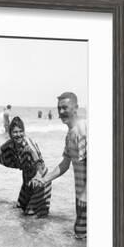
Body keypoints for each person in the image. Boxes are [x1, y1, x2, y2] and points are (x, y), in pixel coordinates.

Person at [0, 117, 52, 218]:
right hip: (27, 179)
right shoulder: (10, 144)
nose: (18, 134)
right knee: (20, 209)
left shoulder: (28, 144)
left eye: (21, 131)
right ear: (10, 133)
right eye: (15, 132)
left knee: (32, 215)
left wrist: (38, 176)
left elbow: (39, 161)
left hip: (40, 178)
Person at [33, 92, 87, 239]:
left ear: (75, 108)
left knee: (82, 235)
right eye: (59, 108)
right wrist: (45, 179)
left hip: (87, 196)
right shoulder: (70, 134)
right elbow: (64, 164)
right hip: (82, 195)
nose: (61, 112)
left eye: (65, 107)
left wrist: (84, 194)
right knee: (81, 236)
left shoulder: (83, 130)